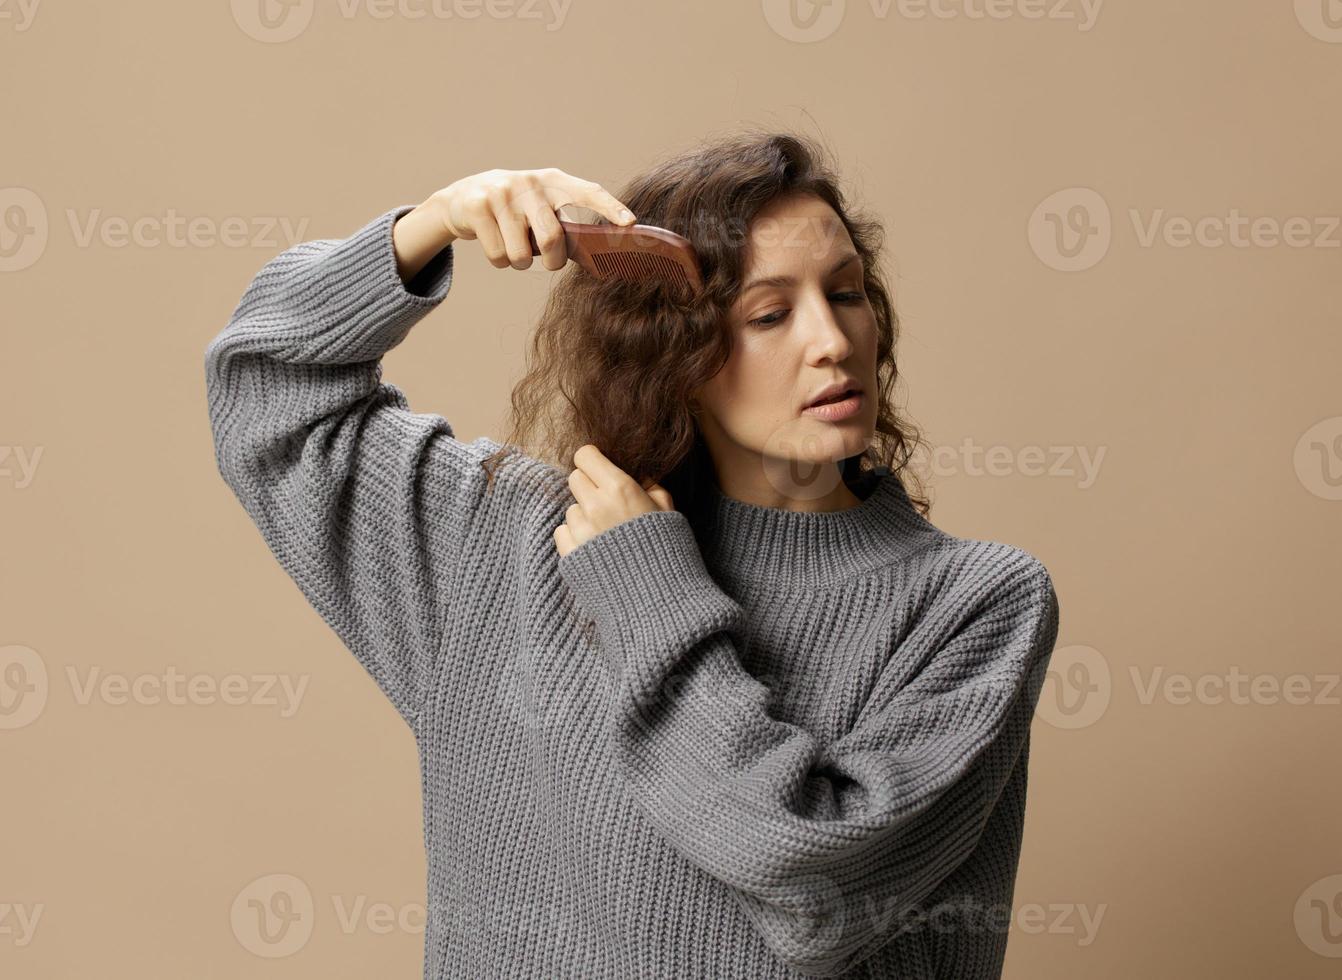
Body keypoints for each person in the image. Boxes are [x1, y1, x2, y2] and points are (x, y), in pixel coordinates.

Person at [203, 130, 1061, 979]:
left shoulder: (976, 604)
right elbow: (266, 391)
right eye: (770, 314)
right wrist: (434, 223)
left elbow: (812, 889)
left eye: (846, 294)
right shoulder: (507, 545)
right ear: (674, 350)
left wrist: (650, 588)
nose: (831, 342)